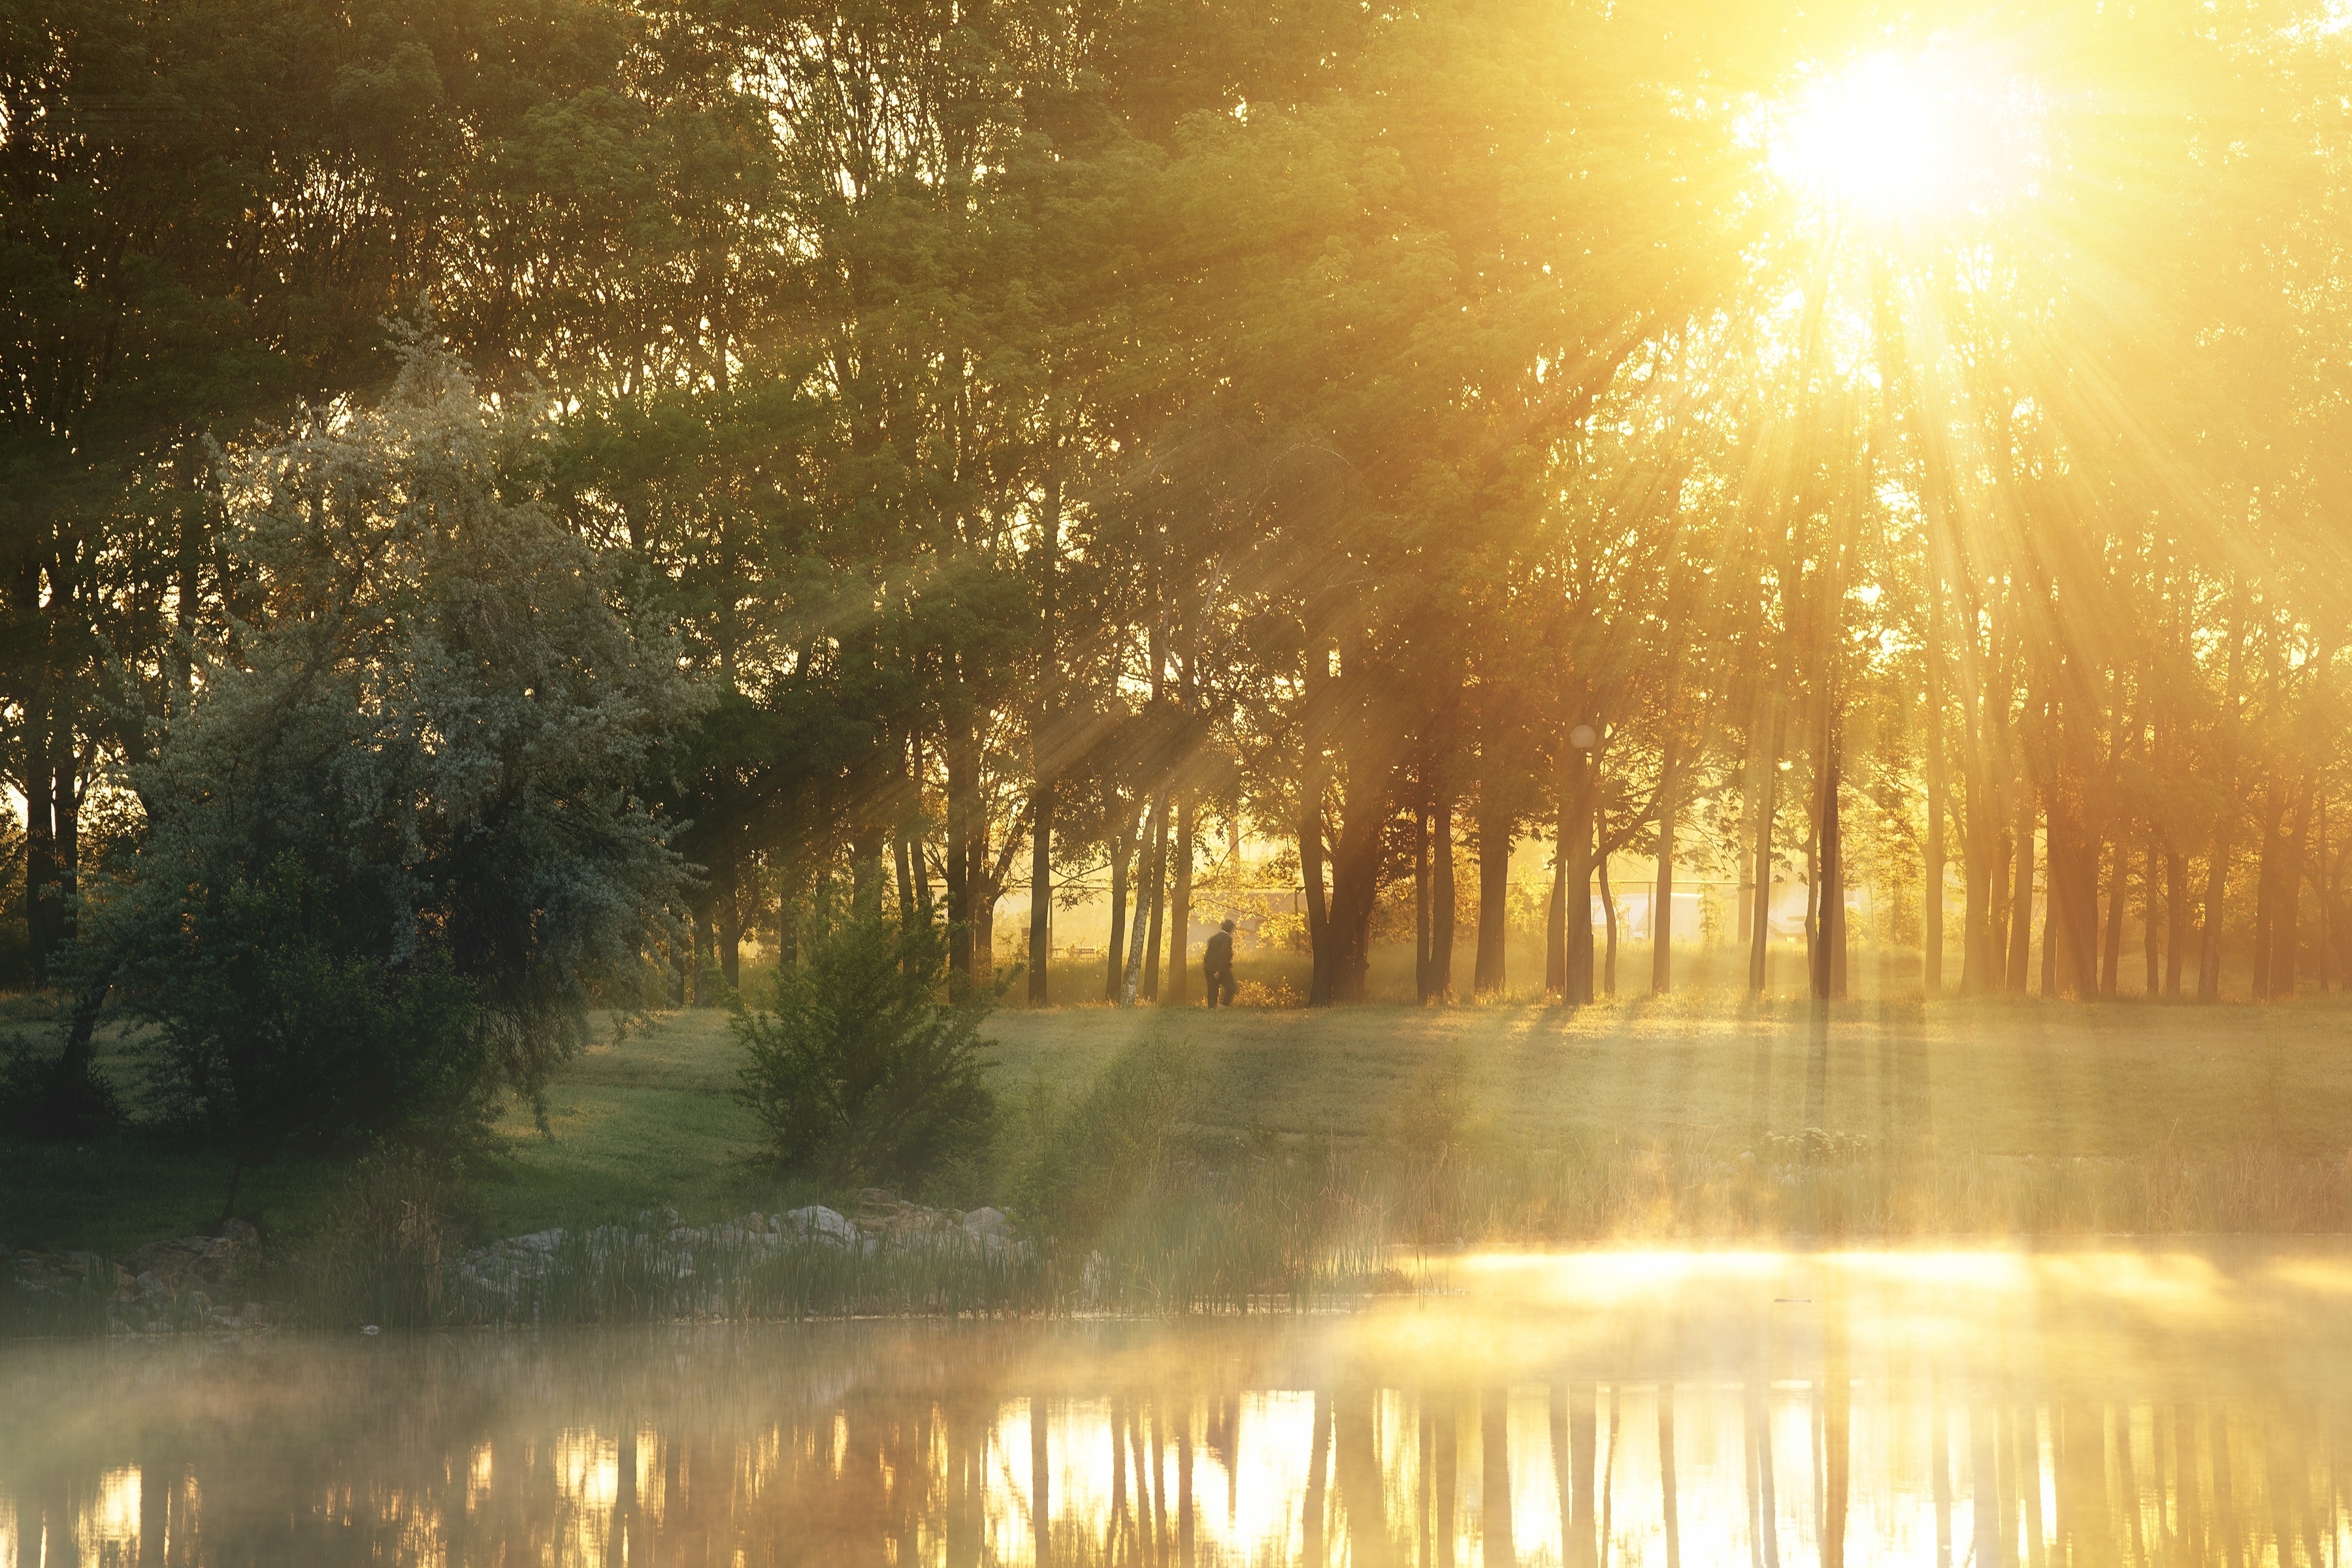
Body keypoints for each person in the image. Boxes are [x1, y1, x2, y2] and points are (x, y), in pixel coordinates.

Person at [1203, 917, 1238, 1008]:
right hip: (1221, 969)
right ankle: (1222, 1007)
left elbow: (1208, 955)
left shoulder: (1213, 938)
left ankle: (1212, 1009)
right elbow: (1223, 955)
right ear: (1230, 929)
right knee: (1231, 988)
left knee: (1212, 990)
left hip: (1208, 968)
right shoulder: (1227, 938)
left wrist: (1208, 967)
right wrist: (1218, 970)